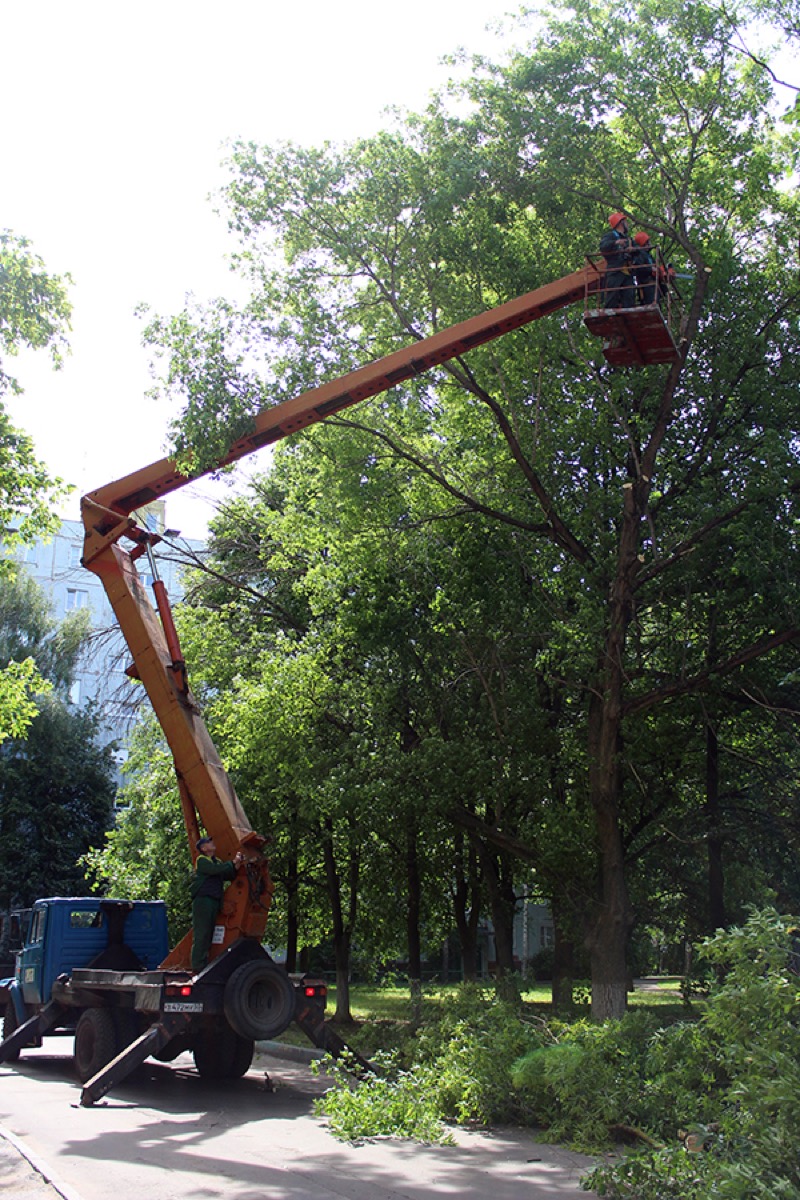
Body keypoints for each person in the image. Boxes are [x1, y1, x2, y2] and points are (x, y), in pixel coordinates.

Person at [190, 835, 244, 973]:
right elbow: (216, 870)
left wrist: (235, 866)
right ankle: (197, 965)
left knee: (209, 933)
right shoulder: (202, 860)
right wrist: (232, 863)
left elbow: (227, 873)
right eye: (209, 842)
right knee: (202, 933)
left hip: (214, 900)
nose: (212, 843)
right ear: (203, 848)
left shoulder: (217, 861)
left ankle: (205, 962)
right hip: (203, 900)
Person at [599, 212, 635, 308]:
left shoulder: (629, 240)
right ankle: (608, 318)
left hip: (627, 272)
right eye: (625, 222)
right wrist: (616, 242)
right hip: (615, 271)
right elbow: (603, 246)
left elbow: (640, 253)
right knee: (612, 297)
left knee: (629, 298)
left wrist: (633, 250)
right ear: (620, 223)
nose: (627, 224)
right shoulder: (611, 236)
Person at [630, 231, 658, 306]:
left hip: (652, 285)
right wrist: (651, 269)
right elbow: (639, 268)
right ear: (645, 243)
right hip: (646, 285)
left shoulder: (648, 256)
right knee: (649, 304)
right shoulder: (640, 255)